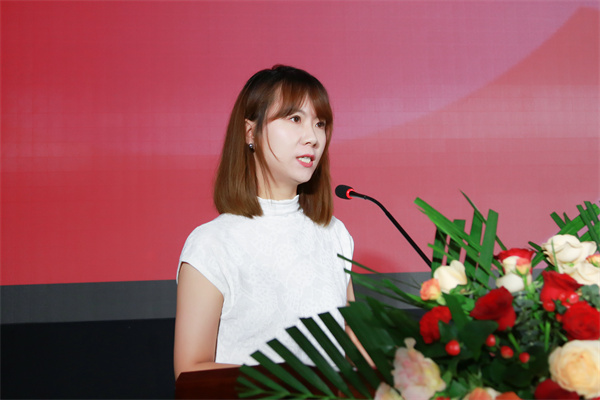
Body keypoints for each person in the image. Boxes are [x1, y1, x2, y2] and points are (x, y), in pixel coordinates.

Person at [173, 65, 362, 379]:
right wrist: (297, 383)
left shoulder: (334, 234)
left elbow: (356, 351)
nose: (313, 138)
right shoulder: (212, 244)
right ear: (251, 133)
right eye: (295, 119)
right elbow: (190, 372)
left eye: (320, 123)